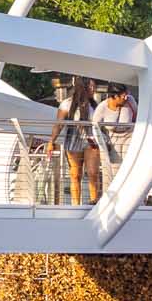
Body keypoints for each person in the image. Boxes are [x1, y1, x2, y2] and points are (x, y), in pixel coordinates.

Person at [48, 78, 101, 206]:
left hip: (91, 141)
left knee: (93, 173)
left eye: (94, 87)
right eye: (90, 87)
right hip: (73, 140)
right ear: (82, 88)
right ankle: (75, 204)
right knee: (75, 174)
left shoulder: (95, 105)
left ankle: (95, 202)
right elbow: (59, 125)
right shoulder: (67, 104)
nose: (93, 90)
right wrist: (51, 141)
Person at [97, 86, 137, 164]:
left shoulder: (130, 100)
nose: (126, 98)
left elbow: (137, 114)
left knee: (129, 161)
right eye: (123, 96)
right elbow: (95, 126)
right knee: (115, 166)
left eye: (127, 95)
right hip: (113, 139)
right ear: (116, 96)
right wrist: (104, 141)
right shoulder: (102, 106)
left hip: (129, 135)